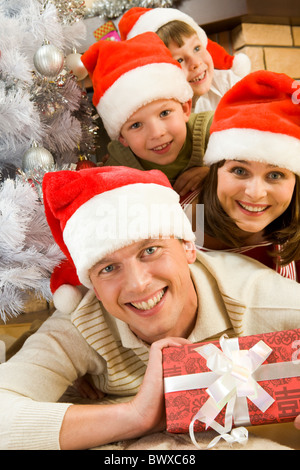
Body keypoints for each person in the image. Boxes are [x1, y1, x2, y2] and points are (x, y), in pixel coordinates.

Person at [0, 165, 300, 450]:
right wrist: (134, 416)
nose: (138, 284)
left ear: (187, 247)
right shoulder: (82, 322)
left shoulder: (255, 294)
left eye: (150, 250)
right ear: (92, 285)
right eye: (108, 268)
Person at [187, 70, 300, 281]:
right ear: (215, 171)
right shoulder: (172, 218)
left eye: (275, 175)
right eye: (239, 171)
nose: (255, 193)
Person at [81, 31, 213, 197]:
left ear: (186, 108)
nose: (157, 133)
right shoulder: (119, 163)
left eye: (165, 113)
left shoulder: (211, 130)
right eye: (136, 125)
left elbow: (252, 155)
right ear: (122, 138)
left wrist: (213, 173)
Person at [118, 7, 251, 112]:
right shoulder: (165, 112)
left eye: (197, 48)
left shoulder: (228, 82)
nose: (196, 63)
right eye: (180, 60)